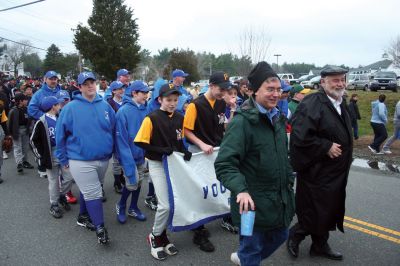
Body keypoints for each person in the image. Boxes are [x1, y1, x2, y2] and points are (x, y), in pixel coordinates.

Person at [215, 61, 295, 266]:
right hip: (249, 205)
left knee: (281, 235)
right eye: (269, 89)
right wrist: (240, 190)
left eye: (278, 90)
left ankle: (244, 258)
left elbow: (281, 157)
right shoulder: (242, 122)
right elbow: (224, 163)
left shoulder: (278, 118)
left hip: (278, 200)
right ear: (255, 91)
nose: (276, 94)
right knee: (251, 249)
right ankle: (247, 258)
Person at [288, 66, 353, 261]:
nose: (340, 83)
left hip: (336, 171)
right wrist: (325, 146)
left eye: (342, 79)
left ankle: (319, 245)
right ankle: (295, 236)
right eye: (335, 80)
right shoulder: (312, 102)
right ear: (323, 82)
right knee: (314, 210)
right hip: (317, 170)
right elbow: (299, 136)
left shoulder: (341, 102)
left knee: (329, 208)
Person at [56, 72, 116, 244]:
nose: (90, 86)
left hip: (103, 158)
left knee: (88, 189)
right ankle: (100, 228)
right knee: (93, 192)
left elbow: (113, 129)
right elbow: (60, 136)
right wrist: (63, 159)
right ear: (79, 86)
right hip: (79, 159)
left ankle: (83, 216)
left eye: (92, 82)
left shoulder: (105, 106)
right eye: (86, 83)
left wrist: (113, 150)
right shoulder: (70, 108)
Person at [135, 83, 191, 260]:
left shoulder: (180, 117)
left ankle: (163, 236)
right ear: (160, 99)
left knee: (173, 203)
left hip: (174, 164)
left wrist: (185, 151)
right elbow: (140, 142)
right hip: (157, 163)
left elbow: (180, 140)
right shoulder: (151, 118)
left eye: (175, 99)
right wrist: (160, 149)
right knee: (165, 205)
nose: (173, 103)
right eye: (169, 99)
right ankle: (154, 235)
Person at [184, 71, 233, 252]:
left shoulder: (221, 103)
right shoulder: (195, 105)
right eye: (221, 88)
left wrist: (233, 110)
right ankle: (198, 230)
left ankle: (225, 216)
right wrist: (202, 144)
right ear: (211, 85)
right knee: (199, 189)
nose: (224, 92)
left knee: (218, 184)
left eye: (226, 89)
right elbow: (186, 131)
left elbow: (223, 126)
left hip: (216, 151)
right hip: (199, 152)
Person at [30, 96, 74, 218]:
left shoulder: (60, 118)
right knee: (53, 181)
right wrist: (41, 156)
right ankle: (54, 204)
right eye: (58, 104)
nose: (60, 106)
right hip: (50, 154)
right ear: (53, 106)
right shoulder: (41, 121)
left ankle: (61, 195)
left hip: (63, 153)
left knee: (69, 177)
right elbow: (33, 140)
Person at [115, 80, 150, 224]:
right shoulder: (123, 111)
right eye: (143, 93)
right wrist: (127, 160)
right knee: (131, 183)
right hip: (128, 156)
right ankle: (121, 205)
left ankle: (133, 207)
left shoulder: (145, 109)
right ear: (134, 93)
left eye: (148, 92)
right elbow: (121, 140)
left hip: (141, 155)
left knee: (139, 181)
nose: (146, 96)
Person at [28, 70, 62, 178]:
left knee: (59, 144)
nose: (53, 81)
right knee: (44, 146)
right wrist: (46, 117)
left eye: (55, 79)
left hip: (60, 123)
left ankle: (61, 168)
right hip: (45, 125)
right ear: (45, 79)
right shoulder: (39, 93)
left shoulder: (61, 91)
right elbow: (31, 109)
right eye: (50, 79)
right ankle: (42, 167)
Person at [107, 81, 126, 194]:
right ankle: (117, 182)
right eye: (119, 89)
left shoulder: (125, 102)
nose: (122, 90)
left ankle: (121, 177)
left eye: (122, 88)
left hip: (125, 134)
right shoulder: (109, 104)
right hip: (114, 135)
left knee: (124, 158)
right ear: (113, 91)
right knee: (116, 160)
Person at [8, 93, 34, 173]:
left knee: (25, 147)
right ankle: (19, 163)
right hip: (16, 131)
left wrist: (30, 128)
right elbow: (9, 123)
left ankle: (25, 161)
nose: (27, 101)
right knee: (17, 147)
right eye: (25, 100)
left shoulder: (27, 109)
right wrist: (9, 134)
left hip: (25, 130)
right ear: (20, 101)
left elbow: (30, 119)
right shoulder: (13, 110)